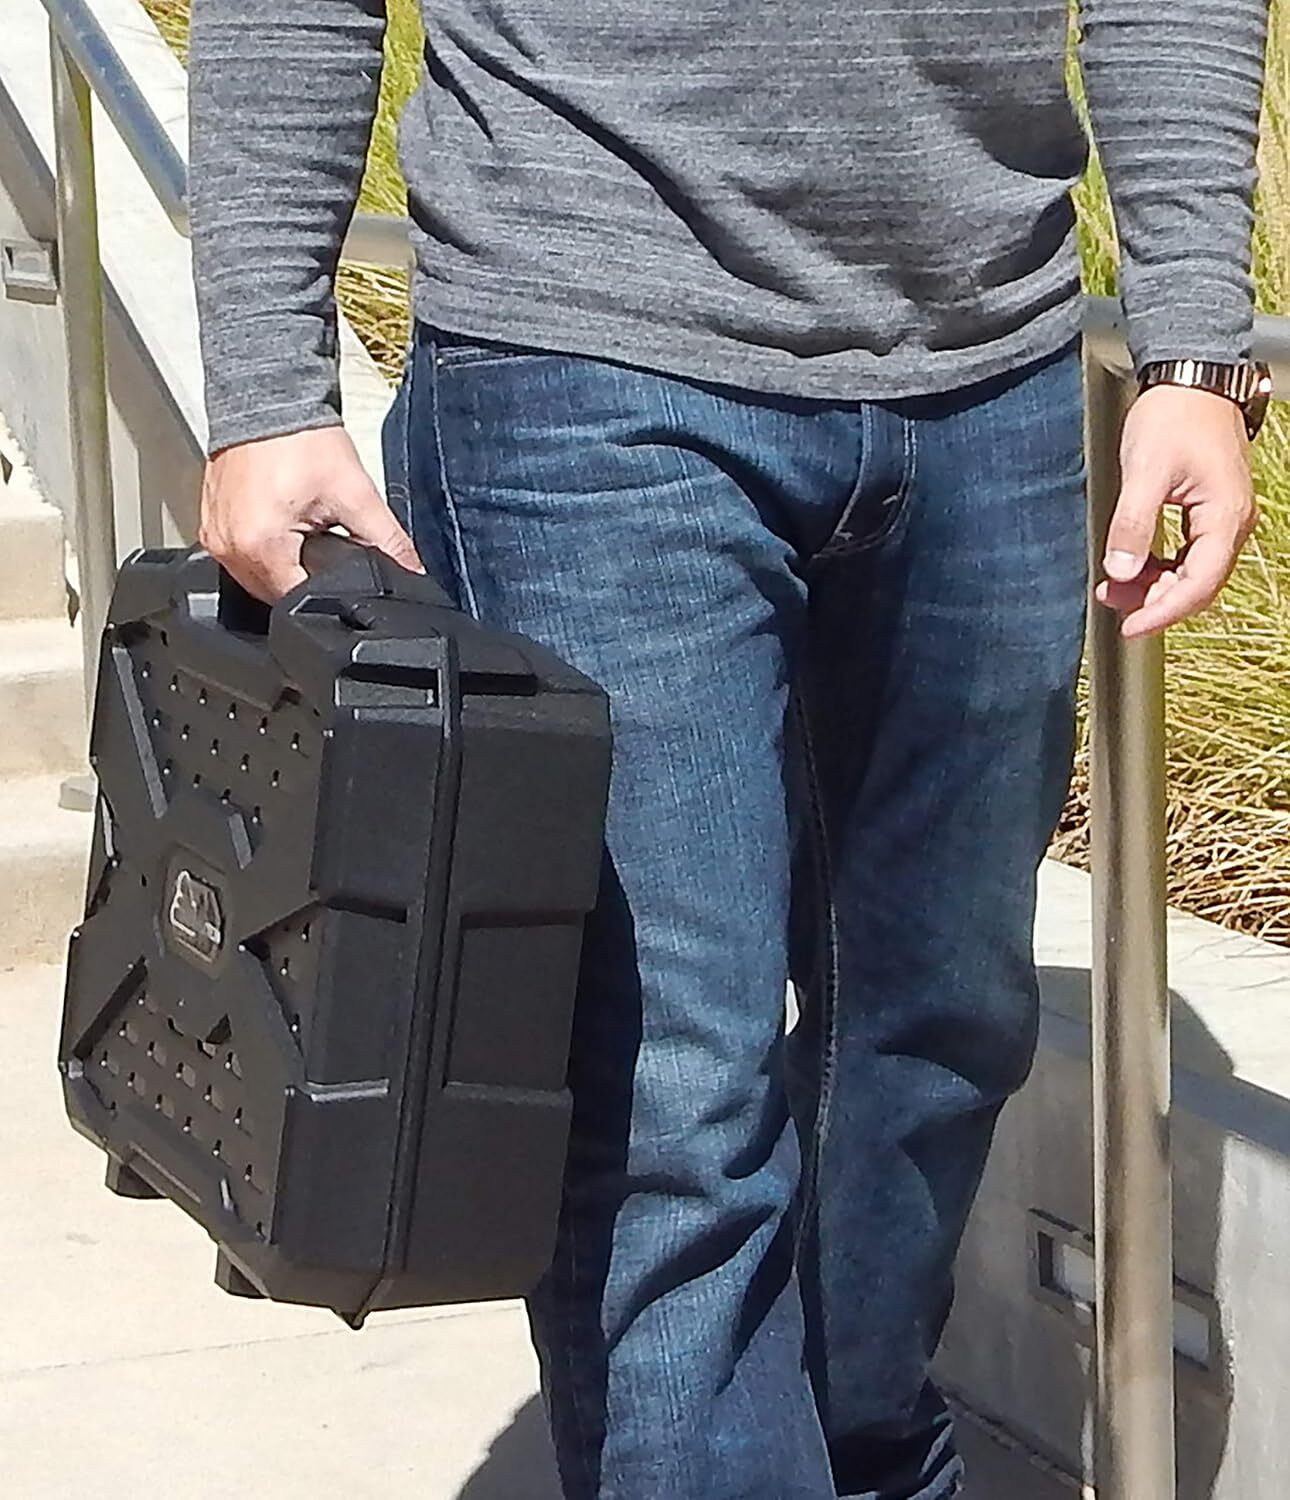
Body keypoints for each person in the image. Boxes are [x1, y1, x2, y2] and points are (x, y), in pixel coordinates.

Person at [188, 3, 1271, 1495]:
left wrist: (1195, 348)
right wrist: (266, 386)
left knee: (939, 1022)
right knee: (669, 1084)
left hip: (993, 367)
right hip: (578, 357)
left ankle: (860, 1454)